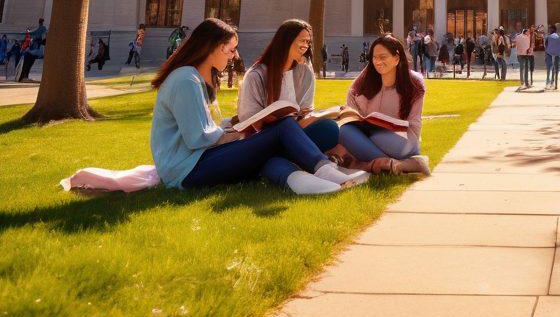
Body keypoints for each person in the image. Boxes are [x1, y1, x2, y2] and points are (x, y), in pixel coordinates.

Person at [150, 18, 350, 195]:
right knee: (283, 128)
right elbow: (197, 138)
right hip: (187, 169)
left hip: (196, 162)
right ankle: (323, 168)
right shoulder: (186, 80)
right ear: (216, 47)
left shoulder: (193, 78)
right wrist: (237, 133)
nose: (233, 56)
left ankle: (297, 180)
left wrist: (230, 126)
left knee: (268, 153)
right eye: (231, 49)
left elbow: (202, 128)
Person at [236, 19, 364, 187]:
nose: (306, 45)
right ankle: (315, 171)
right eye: (302, 41)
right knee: (275, 152)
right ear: (286, 41)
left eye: (308, 42)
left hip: (297, 130)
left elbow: (305, 111)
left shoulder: (305, 73)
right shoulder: (256, 74)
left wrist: (315, 116)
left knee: (328, 128)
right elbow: (248, 118)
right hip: (263, 138)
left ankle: (300, 170)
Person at [335, 36, 429, 175]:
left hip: (403, 139)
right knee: (343, 131)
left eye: (383, 57)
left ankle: (381, 165)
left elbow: (414, 122)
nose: (378, 62)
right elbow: (351, 116)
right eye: (374, 57)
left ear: (397, 58)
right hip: (367, 136)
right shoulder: (362, 83)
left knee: (376, 137)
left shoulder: (414, 84)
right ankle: (401, 165)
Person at [544, 25, 560, 90]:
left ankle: (548, 83)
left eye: (550, 29)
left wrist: (546, 55)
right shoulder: (559, 37)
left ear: (552, 30)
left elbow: (546, 46)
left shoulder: (548, 37)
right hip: (557, 54)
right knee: (556, 69)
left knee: (549, 69)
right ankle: (555, 84)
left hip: (549, 54)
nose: (549, 30)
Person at [515, 24, 534, 89]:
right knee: (526, 69)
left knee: (521, 68)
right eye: (528, 32)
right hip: (525, 55)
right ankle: (526, 82)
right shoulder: (527, 37)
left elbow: (516, 45)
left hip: (519, 54)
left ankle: (522, 82)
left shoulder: (517, 36)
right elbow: (529, 47)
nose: (529, 33)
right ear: (525, 32)